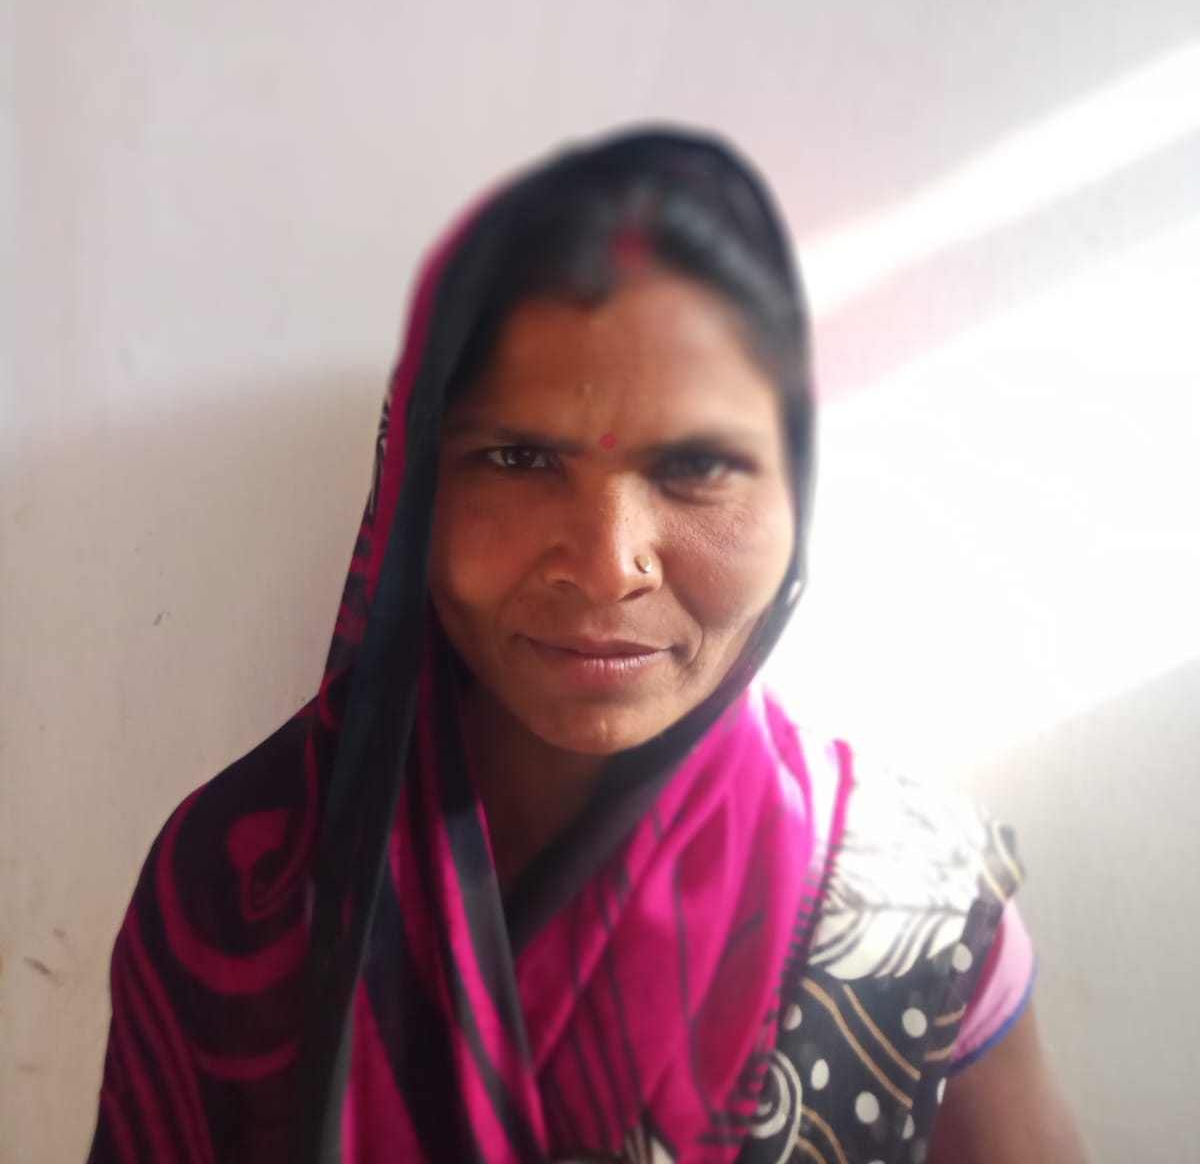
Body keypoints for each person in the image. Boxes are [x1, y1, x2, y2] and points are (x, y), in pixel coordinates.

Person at [88, 129, 1087, 1163]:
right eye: (518, 457)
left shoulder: (915, 915)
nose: (609, 566)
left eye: (697, 463)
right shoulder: (238, 890)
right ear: (415, 486)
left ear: (798, 490)